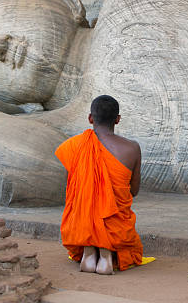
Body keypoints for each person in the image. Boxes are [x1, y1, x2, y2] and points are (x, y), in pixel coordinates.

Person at [55, 95, 143, 274]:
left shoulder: (74, 145)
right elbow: (133, 191)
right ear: (117, 120)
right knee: (108, 209)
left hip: (81, 225)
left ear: (90, 118)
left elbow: (73, 189)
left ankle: (89, 251)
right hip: (115, 224)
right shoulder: (132, 148)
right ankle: (106, 253)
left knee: (85, 201)